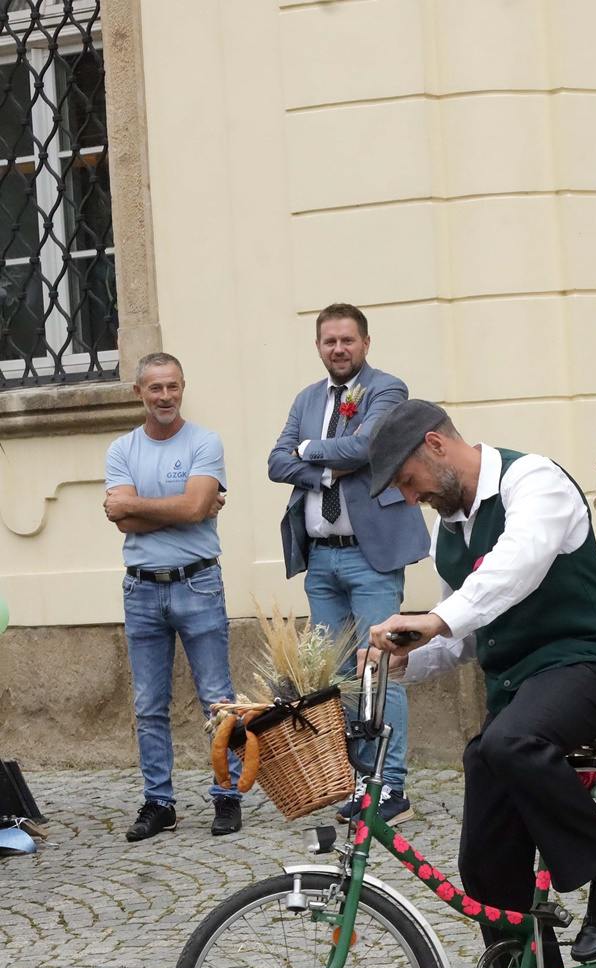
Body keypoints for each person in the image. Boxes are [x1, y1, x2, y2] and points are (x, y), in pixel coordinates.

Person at [363, 399, 596, 968]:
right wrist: (410, 657)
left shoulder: (534, 484)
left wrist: (436, 616)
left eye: (407, 480)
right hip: (522, 686)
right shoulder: (452, 530)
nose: (410, 497)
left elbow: (516, 569)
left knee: (511, 743)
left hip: (587, 666)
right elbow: (466, 626)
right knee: (486, 863)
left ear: (436, 445)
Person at [268, 302, 429, 825]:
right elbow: (276, 462)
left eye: (348, 341)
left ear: (365, 343)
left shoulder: (388, 388)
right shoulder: (306, 397)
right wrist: (325, 473)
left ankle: (392, 788)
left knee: (379, 669)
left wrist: (310, 449)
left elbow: (366, 445)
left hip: (371, 557)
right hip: (322, 562)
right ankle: (359, 782)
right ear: (318, 346)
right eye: (329, 341)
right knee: (335, 676)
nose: (339, 349)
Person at [103, 352, 242, 842]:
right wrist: (186, 509)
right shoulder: (122, 449)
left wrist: (151, 506)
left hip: (197, 582)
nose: (165, 396)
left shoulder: (205, 441)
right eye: (155, 388)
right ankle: (159, 802)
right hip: (141, 588)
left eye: (173, 387)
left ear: (183, 388)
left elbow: (190, 504)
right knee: (148, 704)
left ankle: (226, 796)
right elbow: (124, 519)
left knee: (217, 699)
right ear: (140, 391)